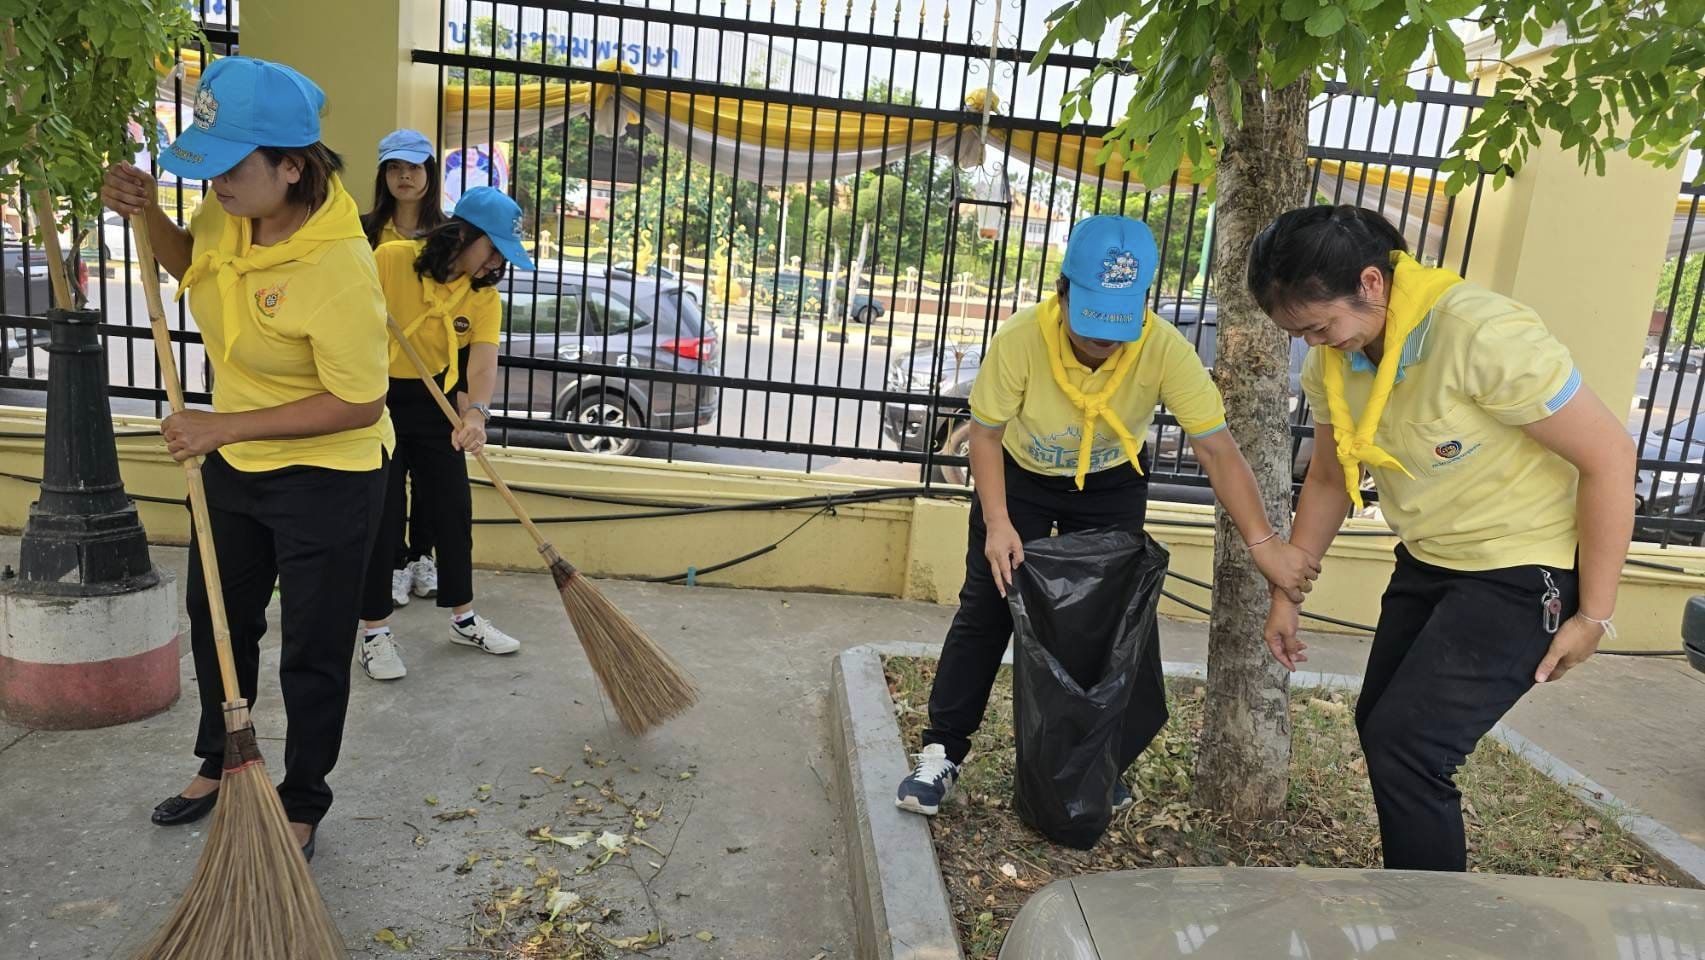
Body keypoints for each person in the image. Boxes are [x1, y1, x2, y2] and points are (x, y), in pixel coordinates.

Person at [1250, 204, 1636, 871]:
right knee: (1382, 731)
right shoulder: (1336, 361)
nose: (1314, 345)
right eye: (1299, 335)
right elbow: (1329, 479)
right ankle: (1421, 908)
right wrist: (1288, 590)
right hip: (1429, 562)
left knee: (1412, 747)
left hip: (1522, 569)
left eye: (1318, 327)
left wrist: (1593, 615)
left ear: (1370, 283)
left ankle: (1431, 930)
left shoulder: (1479, 334)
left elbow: (1607, 457)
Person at [895, 214, 1321, 816]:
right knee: (987, 606)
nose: (1103, 339)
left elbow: (1217, 448)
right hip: (1019, 479)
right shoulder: (1020, 340)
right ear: (1063, 291)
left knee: (1100, 623)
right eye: (1091, 317)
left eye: (1118, 323)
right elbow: (985, 436)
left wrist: (1265, 545)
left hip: (1112, 482)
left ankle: (1088, 765)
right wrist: (997, 523)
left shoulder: (1163, 347)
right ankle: (942, 752)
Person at [101, 56, 392, 861]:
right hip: (235, 456)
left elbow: (359, 400)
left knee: (312, 644)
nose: (216, 182)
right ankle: (223, 760)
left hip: (329, 474)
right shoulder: (230, 212)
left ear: (291, 166)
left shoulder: (339, 269)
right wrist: (149, 213)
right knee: (218, 620)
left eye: (231, 166)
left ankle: (301, 799)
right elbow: (190, 263)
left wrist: (222, 429)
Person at [355, 186, 532, 680]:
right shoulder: (390, 259)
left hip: (437, 403)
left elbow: (482, 361)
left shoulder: (484, 296)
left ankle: (463, 617)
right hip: (376, 400)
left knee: (452, 511)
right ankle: (374, 633)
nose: (497, 263)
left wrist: (475, 414)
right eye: (493, 249)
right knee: (383, 517)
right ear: (462, 235)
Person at [361, 128, 449, 608]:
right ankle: (393, 563)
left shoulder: (448, 234)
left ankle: (423, 557)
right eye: (395, 168)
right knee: (388, 481)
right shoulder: (365, 229)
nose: (404, 177)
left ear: (429, 174)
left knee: (433, 482)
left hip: (436, 377)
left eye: (413, 167)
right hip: (379, 379)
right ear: (384, 174)